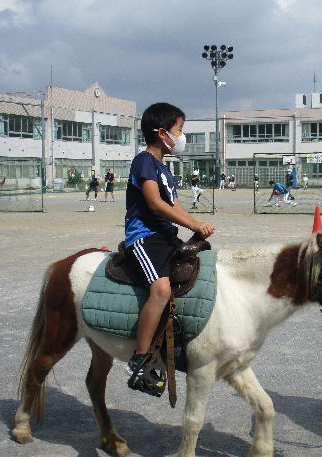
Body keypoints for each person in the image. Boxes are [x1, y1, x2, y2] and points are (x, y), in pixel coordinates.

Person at [123, 102, 214, 394]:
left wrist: (196, 225)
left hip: (165, 236)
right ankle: (139, 360)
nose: (182, 136)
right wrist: (193, 226)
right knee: (161, 290)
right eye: (180, 130)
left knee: (199, 267)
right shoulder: (144, 161)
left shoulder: (165, 169)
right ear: (162, 132)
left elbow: (175, 205)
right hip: (144, 237)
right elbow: (155, 203)